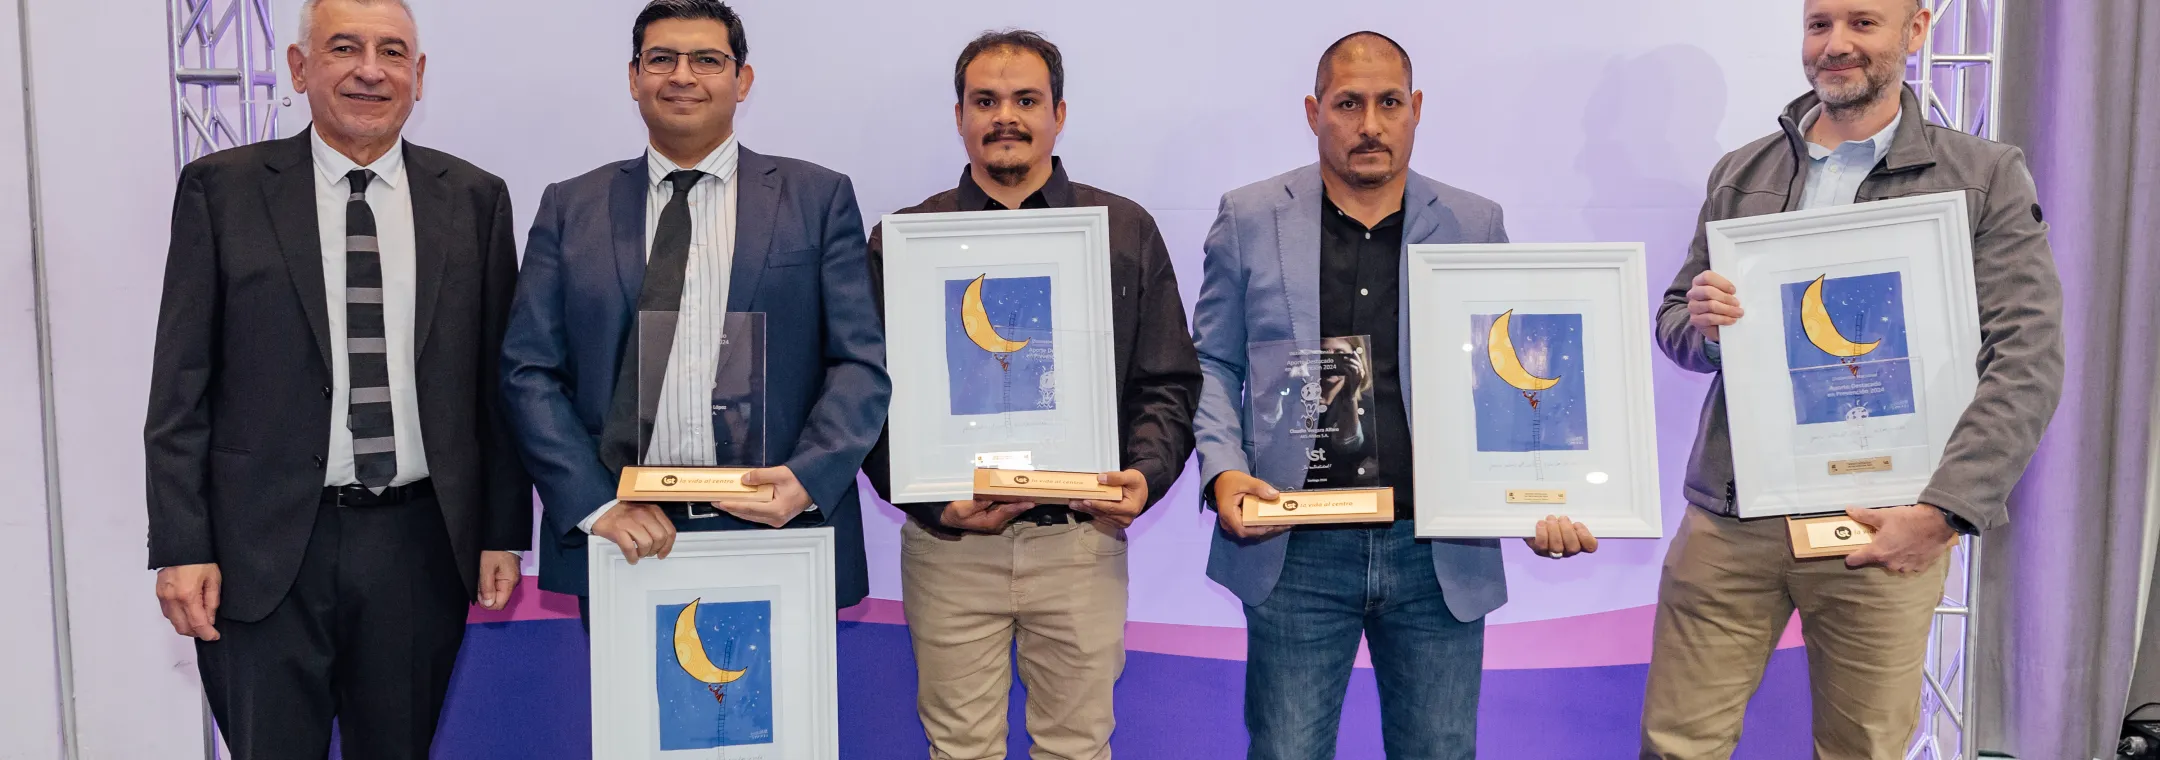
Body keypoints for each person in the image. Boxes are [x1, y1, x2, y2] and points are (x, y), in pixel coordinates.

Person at [1639, 0, 2063, 756]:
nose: (1835, 45)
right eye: (1819, 24)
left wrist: (1943, 512)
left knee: (1862, 751)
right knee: (1676, 746)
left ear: (1918, 30)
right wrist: (1699, 326)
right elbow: (1677, 322)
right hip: (1732, 519)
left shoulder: (1984, 178)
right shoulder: (1741, 173)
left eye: (1863, 22)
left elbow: (2026, 361)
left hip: (1885, 524)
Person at [1192, 32, 1597, 759]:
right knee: (1284, 750)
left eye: (1388, 104)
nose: (1370, 125)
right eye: (1348, 104)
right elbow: (1213, 364)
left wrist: (1542, 494)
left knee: (1441, 751)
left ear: (1415, 110)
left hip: (1435, 549)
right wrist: (1223, 470)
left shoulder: (1476, 223)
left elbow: (1507, 374)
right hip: (1297, 547)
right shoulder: (1250, 217)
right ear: (1315, 112)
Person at [143, 0, 531, 756]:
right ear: (299, 67)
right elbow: (180, 384)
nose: (369, 69)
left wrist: (502, 532)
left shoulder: (475, 199)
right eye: (344, 47)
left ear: (418, 76)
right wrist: (181, 544)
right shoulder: (221, 190)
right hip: (262, 553)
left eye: (392, 51)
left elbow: (497, 386)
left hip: (420, 547)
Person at [860, 29, 1202, 759]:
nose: (1005, 116)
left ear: (1060, 113)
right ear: (960, 116)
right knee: (959, 750)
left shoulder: (1123, 232)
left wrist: (1143, 474)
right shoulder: (906, 242)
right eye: (985, 100)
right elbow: (867, 398)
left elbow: (1167, 380)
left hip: (1078, 545)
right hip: (950, 548)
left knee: (1077, 747)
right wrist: (930, 501)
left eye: (1025, 99)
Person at [500, 0, 888, 615]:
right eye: (662, 59)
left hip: (777, 527)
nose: (682, 76)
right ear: (634, 78)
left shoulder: (818, 198)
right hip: (626, 532)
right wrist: (597, 503)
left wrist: (809, 479)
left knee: (780, 713)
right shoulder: (571, 206)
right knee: (635, 714)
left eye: (707, 59)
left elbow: (858, 361)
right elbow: (528, 370)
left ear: (743, 79)